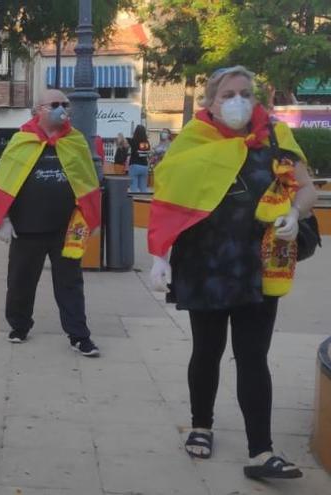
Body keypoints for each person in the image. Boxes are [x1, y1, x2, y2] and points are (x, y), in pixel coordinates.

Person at [148, 66, 318, 479]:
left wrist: (296, 212)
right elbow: (168, 199)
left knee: (253, 357)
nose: (238, 100)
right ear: (210, 100)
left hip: (260, 267)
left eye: (245, 92)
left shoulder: (276, 137)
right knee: (206, 351)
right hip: (205, 264)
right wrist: (159, 255)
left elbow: (308, 187)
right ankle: (201, 425)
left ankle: (262, 451)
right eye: (228, 94)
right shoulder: (192, 139)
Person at [0, 89, 102, 357]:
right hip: (27, 228)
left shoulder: (75, 141)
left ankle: (79, 336)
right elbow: (5, 181)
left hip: (67, 229)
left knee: (71, 283)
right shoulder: (20, 140)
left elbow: (87, 183)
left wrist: (92, 218)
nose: (62, 108)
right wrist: (3, 219)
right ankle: (19, 326)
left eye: (65, 104)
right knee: (20, 281)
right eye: (55, 104)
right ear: (39, 109)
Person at [127, 125, 151, 192]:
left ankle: (135, 202)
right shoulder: (146, 143)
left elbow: (124, 140)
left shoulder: (133, 141)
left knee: (133, 189)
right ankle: (144, 201)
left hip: (134, 165)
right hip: (144, 166)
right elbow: (145, 153)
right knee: (143, 189)